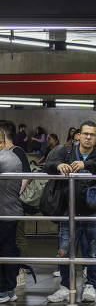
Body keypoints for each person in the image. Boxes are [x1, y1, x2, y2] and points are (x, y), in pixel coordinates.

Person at [45, 120, 96, 303]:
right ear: (78, 135)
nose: (88, 137)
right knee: (65, 250)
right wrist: (58, 166)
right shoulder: (65, 152)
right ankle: (65, 287)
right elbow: (48, 164)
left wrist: (86, 166)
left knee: (95, 250)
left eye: (92, 134)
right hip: (70, 210)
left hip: (95, 211)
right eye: (85, 134)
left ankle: (91, 285)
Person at [0, 121, 31, 287]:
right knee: (10, 242)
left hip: (10, 204)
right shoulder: (8, 154)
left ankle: (19, 272)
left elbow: (25, 176)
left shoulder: (15, 152)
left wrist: (15, 194)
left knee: (16, 240)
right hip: (9, 203)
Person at [0, 126, 22, 304]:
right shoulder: (13, 157)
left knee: (4, 251)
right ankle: (9, 289)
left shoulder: (1, 158)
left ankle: (2, 291)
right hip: (12, 211)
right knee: (9, 249)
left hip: (2, 212)